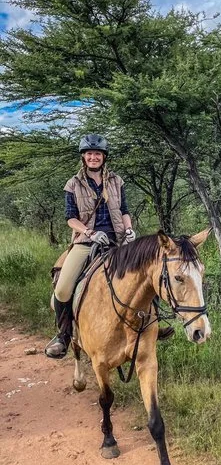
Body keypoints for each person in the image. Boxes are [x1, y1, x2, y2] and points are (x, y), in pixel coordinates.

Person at [45, 134, 136, 359]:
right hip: (87, 241)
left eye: (97, 154)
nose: (93, 157)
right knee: (64, 288)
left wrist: (129, 229)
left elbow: (123, 209)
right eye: (89, 154)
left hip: (117, 239)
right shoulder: (73, 184)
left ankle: (152, 326)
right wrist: (89, 233)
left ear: (104, 157)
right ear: (83, 157)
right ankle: (64, 334)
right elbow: (70, 218)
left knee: (146, 272)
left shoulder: (116, 181)